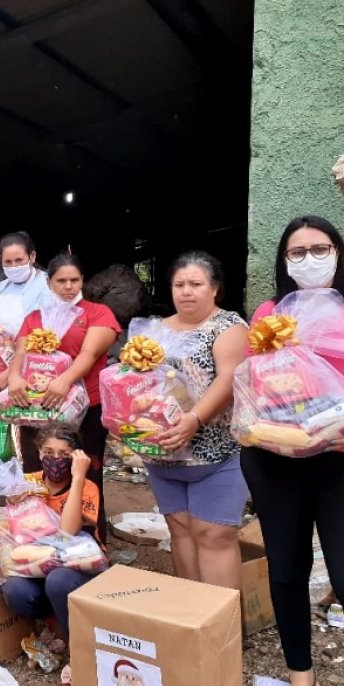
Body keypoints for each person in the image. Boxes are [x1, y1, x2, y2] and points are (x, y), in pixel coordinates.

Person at [240, 215, 344, 686]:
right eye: (297, 252)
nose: (309, 259)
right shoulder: (269, 311)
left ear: (339, 252)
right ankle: (302, 683)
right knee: (286, 571)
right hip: (278, 458)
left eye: (319, 248)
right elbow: (260, 386)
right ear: (284, 261)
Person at [145, 252, 248, 590]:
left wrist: (193, 418)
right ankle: (193, 620)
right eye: (179, 284)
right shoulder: (156, 330)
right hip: (165, 452)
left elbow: (229, 378)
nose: (186, 291)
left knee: (214, 533)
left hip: (217, 451)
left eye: (195, 284)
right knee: (181, 529)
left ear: (214, 288)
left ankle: (221, 624)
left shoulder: (228, 326)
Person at [7, 253, 120, 538]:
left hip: (86, 408)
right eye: (61, 281)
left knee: (87, 474)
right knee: (37, 473)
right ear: (49, 282)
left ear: (82, 280)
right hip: (36, 409)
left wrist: (66, 379)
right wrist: (14, 377)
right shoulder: (35, 317)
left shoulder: (97, 313)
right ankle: (39, 540)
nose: (68, 286)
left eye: (75, 280)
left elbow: (89, 353)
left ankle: (92, 543)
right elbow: (20, 353)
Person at [0, 422, 101, 686]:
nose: (55, 460)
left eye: (65, 454)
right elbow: (16, 538)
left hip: (78, 570)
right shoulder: (28, 483)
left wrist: (78, 477)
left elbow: (67, 533)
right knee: (15, 590)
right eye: (48, 451)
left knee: (58, 579)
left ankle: (78, 656)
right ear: (38, 452)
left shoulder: (87, 486)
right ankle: (54, 623)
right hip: (36, 567)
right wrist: (13, 502)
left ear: (77, 457)